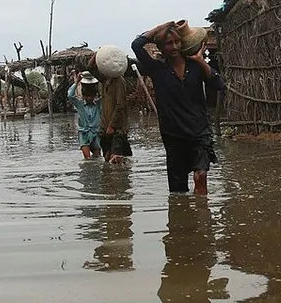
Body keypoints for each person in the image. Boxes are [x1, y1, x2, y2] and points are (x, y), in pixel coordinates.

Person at [131, 21, 225, 195]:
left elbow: (219, 84)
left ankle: (203, 218)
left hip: (199, 132)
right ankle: (184, 222)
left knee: (200, 176)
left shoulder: (195, 66)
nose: (174, 46)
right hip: (174, 136)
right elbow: (136, 45)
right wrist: (162, 27)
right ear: (161, 47)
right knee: (178, 192)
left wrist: (201, 61)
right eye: (169, 43)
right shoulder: (157, 69)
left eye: (177, 42)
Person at [86, 54, 133, 164]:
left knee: (116, 159)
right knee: (107, 159)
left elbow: (120, 105)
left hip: (117, 129)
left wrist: (112, 125)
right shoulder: (105, 80)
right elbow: (90, 68)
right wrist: (97, 55)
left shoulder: (119, 81)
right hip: (105, 128)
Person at [68, 71, 102, 159]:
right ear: (84, 96)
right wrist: (76, 82)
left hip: (96, 133)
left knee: (97, 157)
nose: (89, 99)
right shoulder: (80, 105)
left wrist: (100, 79)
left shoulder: (98, 104)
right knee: (88, 159)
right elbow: (70, 95)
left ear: (95, 96)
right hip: (84, 133)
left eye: (91, 96)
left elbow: (105, 94)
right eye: (87, 97)